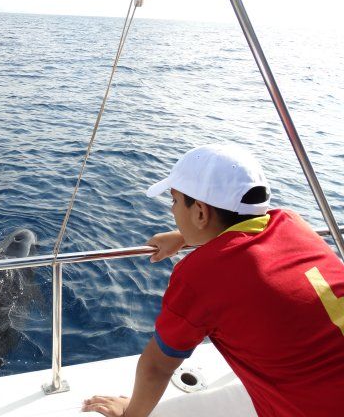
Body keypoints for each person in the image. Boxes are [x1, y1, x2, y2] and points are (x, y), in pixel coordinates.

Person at [82, 142, 344, 417]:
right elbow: (244, 237)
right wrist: (185, 237)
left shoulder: (200, 276)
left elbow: (157, 366)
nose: (172, 211)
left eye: (174, 200)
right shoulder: (292, 221)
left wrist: (129, 413)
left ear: (200, 212)